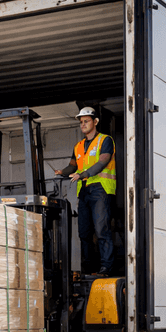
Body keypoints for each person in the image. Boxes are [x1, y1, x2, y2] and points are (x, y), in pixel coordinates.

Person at [54, 106, 116, 275]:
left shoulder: (105, 140)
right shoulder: (79, 146)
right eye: (81, 122)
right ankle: (88, 269)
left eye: (86, 121)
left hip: (101, 189)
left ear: (95, 122)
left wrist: (83, 174)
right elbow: (72, 166)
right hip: (84, 191)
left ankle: (106, 268)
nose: (83, 124)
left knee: (102, 230)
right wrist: (62, 171)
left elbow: (103, 161)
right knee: (84, 233)